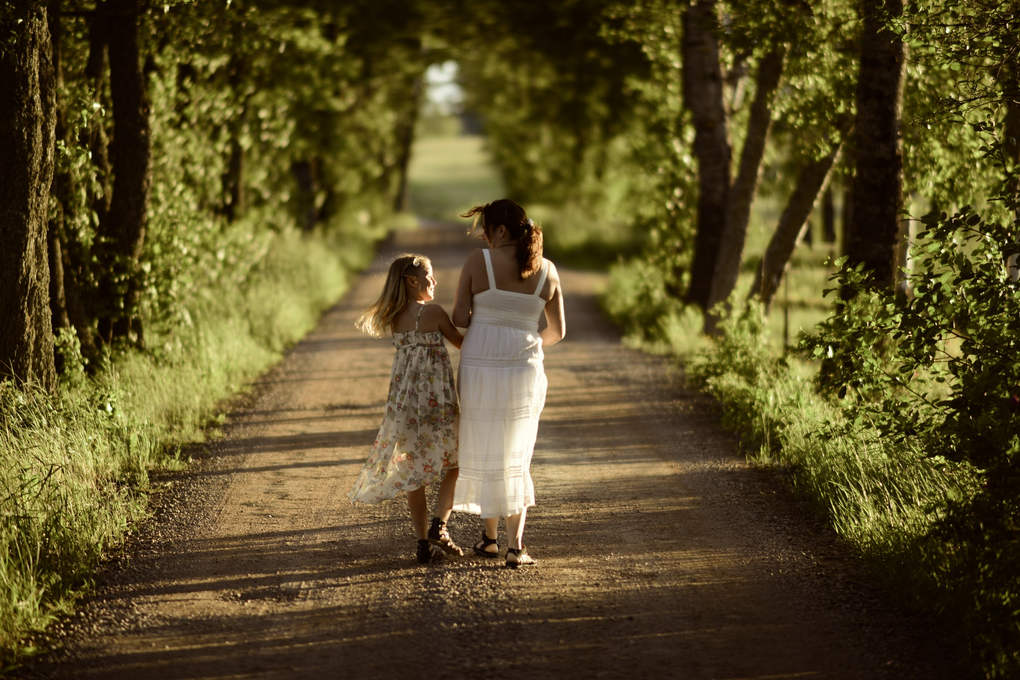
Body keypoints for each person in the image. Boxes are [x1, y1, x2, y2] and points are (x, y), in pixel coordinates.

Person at [452, 199, 566, 568]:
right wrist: (524, 341)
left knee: (485, 442)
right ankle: (515, 547)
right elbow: (558, 331)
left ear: (501, 230)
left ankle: (489, 539)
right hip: (524, 367)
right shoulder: (547, 270)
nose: (484, 238)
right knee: (517, 451)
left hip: (480, 364)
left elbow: (459, 318)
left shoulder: (476, 262)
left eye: (486, 230)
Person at [348, 253, 465, 564]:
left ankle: (422, 543)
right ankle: (440, 526)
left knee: (414, 473)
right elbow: (461, 343)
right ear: (413, 281)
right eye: (430, 276)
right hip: (436, 405)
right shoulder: (435, 313)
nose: (435, 282)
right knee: (454, 463)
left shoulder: (395, 317)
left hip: (406, 408)